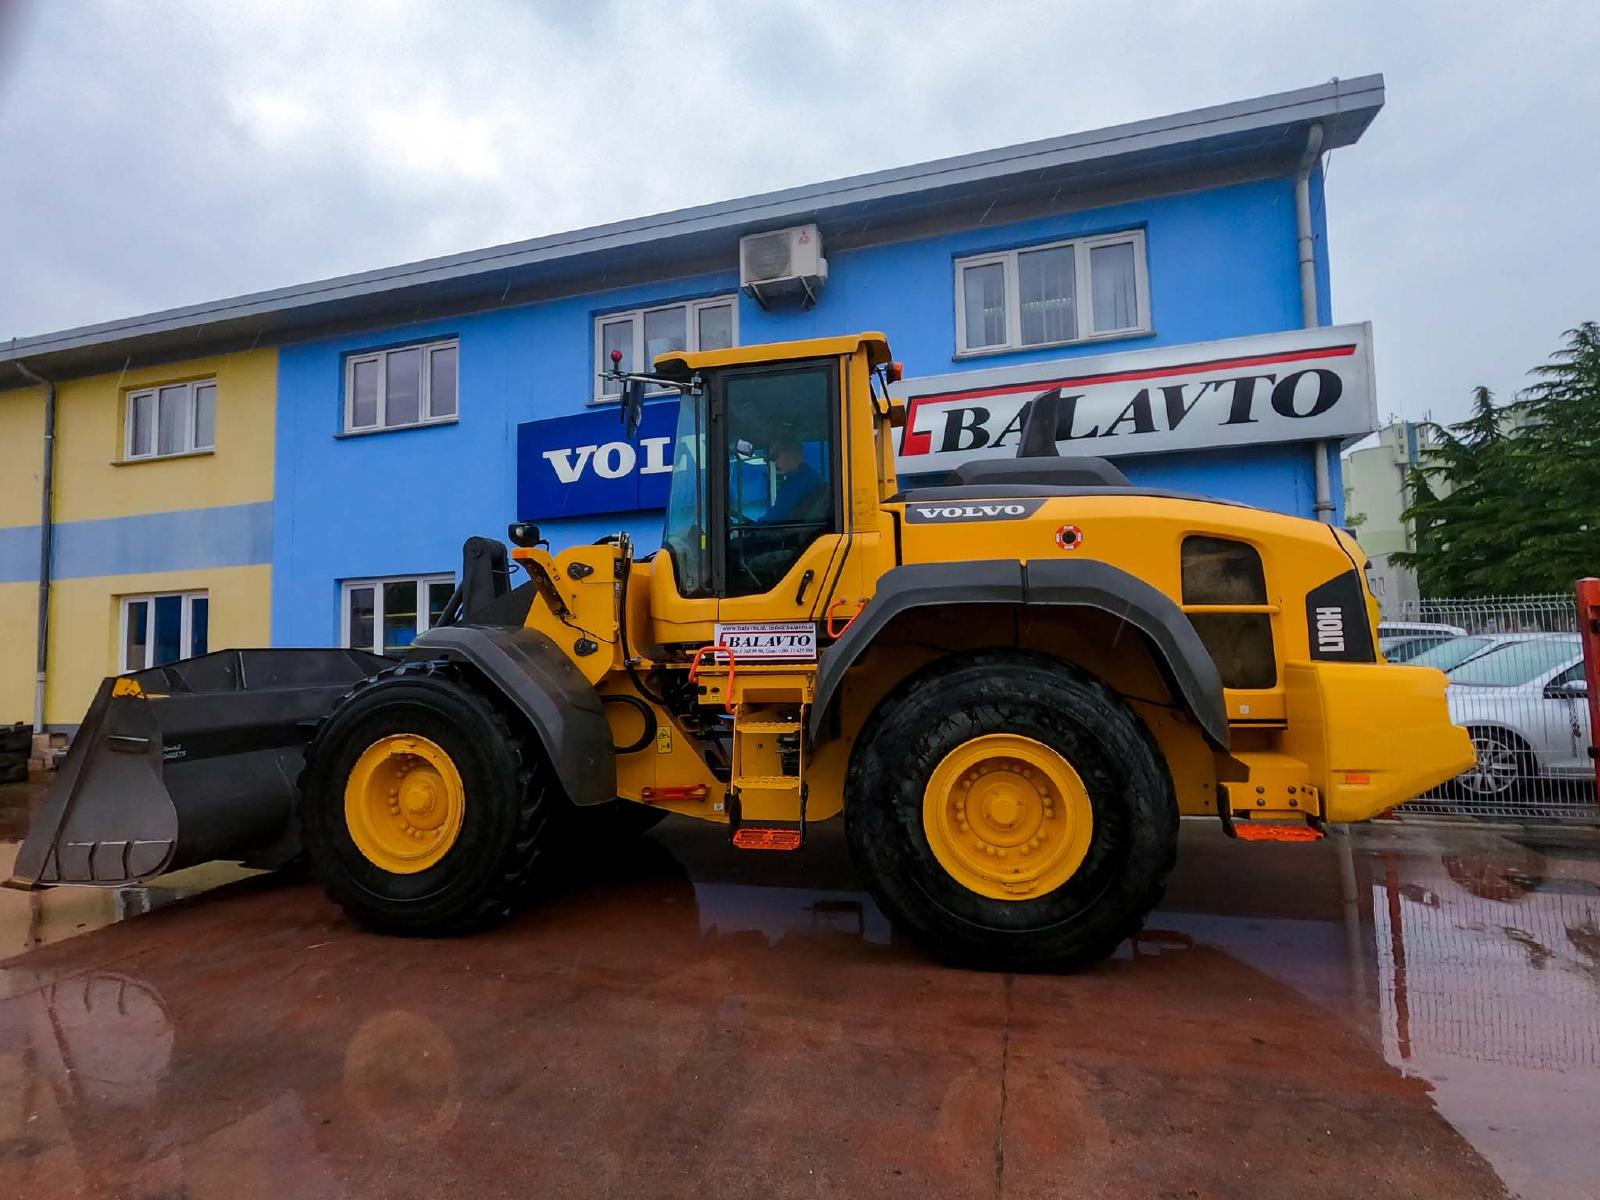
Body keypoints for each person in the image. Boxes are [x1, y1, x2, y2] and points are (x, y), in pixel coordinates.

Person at [758, 436, 825, 524]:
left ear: (790, 454)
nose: (776, 462)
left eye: (776, 456)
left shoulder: (800, 480)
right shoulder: (810, 475)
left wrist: (757, 526)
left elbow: (779, 514)